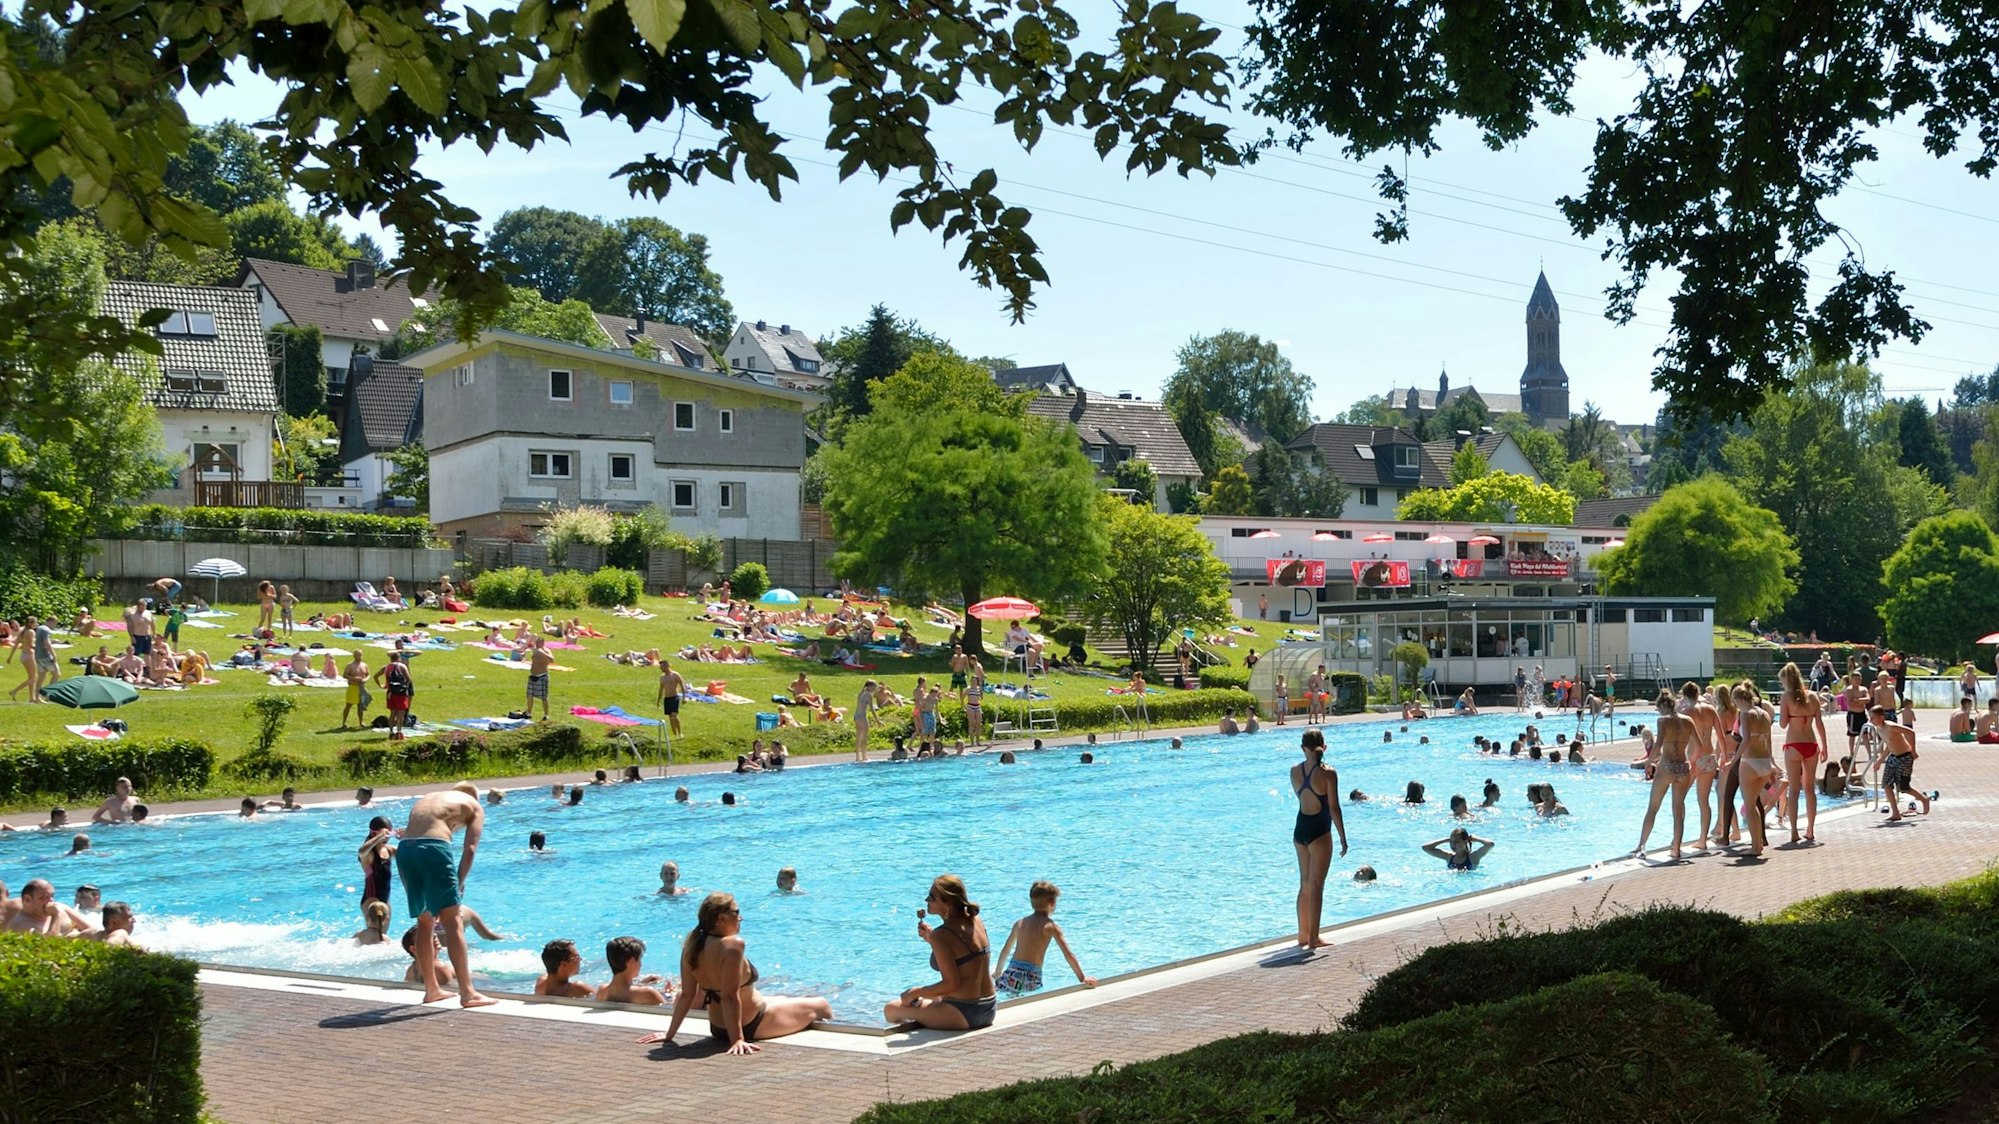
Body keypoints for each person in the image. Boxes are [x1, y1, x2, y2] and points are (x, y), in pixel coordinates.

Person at [643, 891, 834, 1053]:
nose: (740, 917)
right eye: (736, 912)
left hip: (717, 1027)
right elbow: (729, 996)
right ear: (721, 918)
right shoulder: (732, 945)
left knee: (783, 998)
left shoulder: (692, 945)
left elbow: (687, 994)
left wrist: (670, 1034)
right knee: (821, 1005)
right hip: (751, 1023)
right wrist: (737, 1040)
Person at [394, 781, 495, 1007]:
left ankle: (431, 990)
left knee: (425, 921)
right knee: (453, 922)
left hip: (405, 850)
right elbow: (470, 849)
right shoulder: (474, 806)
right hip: (433, 849)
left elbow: (413, 831)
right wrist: (459, 882)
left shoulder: (431, 798)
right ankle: (468, 993)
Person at [882, 875, 997, 1030]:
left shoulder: (942, 935)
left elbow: (951, 984)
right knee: (932, 997)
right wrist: (931, 940)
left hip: (963, 1013)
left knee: (891, 1009)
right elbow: (965, 958)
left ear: (947, 902)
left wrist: (915, 993)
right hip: (988, 1008)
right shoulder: (976, 920)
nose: (926, 900)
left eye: (931, 897)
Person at [1290, 729, 1348, 951]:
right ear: (1324, 746)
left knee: (1304, 883)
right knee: (1316, 885)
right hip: (1319, 831)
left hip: (1300, 829)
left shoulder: (1294, 771)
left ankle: (1303, 933)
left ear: (1303, 748)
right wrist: (1343, 837)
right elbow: (1333, 808)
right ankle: (1314, 937)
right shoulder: (1328, 773)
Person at [993, 880, 1096, 996]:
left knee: (1004, 993)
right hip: (1032, 978)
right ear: (1052, 903)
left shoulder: (1020, 924)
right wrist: (1083, 978)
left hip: (1011, 975)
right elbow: (1068, 955)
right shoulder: (1051, 926)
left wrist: (998, 972)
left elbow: (1005, 951)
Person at [1633, 691, 1695, 860]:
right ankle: (1676, 849)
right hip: (1683, 767)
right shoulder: (1688, 721)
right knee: (1678, 811)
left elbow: (1658, 745)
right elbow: (1700, 745)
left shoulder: (1663, 721)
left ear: (1661, 706)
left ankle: (1641, 846)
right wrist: (1691, 761)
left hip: (1667, 767)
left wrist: (1648, 763)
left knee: (1653, 808)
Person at [1778, 662, 1825, 845]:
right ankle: (1811, 829)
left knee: (1794, 790)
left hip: (1793, 744)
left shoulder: (1786, 697)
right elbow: (1819, 723)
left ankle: (1794, 831)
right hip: (1811, 744)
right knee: (1810, 789)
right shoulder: (1813, 696)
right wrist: (1825, 746)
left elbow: (1782, 724)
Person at [1731, 684, 1776, 857]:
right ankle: (1758, 844)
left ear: (1740, 699)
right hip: (1764, 761)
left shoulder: (1745, 713)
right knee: (1754, 804)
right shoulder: (1764, 713)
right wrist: (1771, 763)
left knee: (1750, 805)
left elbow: (1746, 740)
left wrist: (1733, 761)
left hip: (1750, 761)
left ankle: (1755, 846)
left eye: (1735, 701)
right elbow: (1769, 740)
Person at [1868, 705, 1932, 821]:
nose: (1870, 720)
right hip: (1893, 757)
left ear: (1881, 717)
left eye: (1873, 718)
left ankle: (1923, 799)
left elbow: (1911, 733)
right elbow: (1889, 744)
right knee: (1886, 785)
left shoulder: (1891, 726)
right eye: (1870, 718)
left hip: (1905, 757)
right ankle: (1896, 813)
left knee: (1904, 788)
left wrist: (1913, 751)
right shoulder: (1879, 729)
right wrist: (1879, 761)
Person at [596, 936, 672, 1005]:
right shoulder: (647, 993)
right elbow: (669, 1012)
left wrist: (641, 984)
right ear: (632, 961)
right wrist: (668, 993)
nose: (641, 964)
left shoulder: (602, 991)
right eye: (639, 959)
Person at [374, 652, 415, 742]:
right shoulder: (402, 666)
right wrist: (405, 688)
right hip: (400, 692)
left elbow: (375, 676)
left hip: (390, 692)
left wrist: (381, 686)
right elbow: (409, 680)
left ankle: (391, 732)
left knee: (392, 713)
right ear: (399, 658)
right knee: (400, 713)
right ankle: (399, 732)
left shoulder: (387, 667)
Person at [5, 614, 41, 702]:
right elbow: (31, 645)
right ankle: (14, 691)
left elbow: (16, 645)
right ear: (31, 623)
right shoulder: (31, 632)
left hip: (23, 656)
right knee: (33, 678)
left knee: (31, 677)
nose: (36, 624)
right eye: (35, 622)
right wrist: (41, 647)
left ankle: (32, 698)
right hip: (29, 656)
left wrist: (10, 657)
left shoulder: (22, 632)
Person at [1422, 827, 1495, 870]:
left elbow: (1490, 844)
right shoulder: (1449, 857)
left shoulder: (1473, 857)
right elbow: (1425, 848)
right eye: (1451, 842)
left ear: (1465, 841)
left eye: (1456, 841)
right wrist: (1445, 840)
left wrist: (1476, 838)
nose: (1453, 845)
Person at [340, 651, 371, 728]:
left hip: (361, 687)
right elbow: (345, 675)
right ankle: (344, 723)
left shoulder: (364, 665)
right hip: (352, 687)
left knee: (360, 705)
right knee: (348, 705)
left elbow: (368, 674)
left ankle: (361, 722)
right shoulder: (350, 665)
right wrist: (354, 679)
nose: (359, 657)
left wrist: (365, 680)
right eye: (358, 655)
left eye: (360, 655)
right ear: (354, 656)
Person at [525, 636, 553, 721]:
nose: (537, 645)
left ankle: (546, 715)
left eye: (538, 643)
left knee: (543, 697)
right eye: (536, 643)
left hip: (542, 676)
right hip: (533, 676)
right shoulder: (535, 649)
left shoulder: (546, 651)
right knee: (529, 695)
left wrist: (541, 652)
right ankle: (528, 713)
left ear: (543, 643)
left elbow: (552, 660)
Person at [657, 658, 685, 738]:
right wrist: (658, 701)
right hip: (667, 698)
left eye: (662, 666)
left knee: (674, 715)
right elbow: (661, 689)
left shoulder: (675, 675)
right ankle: (675, 734)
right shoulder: (662, 677)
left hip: (674, 697)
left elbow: (682, 685)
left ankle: (680, 733)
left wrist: (684, 697)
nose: (660, 668)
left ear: (667, 665)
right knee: (670, 717)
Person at [965, 662, 986, 746]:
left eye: (975, 681)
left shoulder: (978, 688)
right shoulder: (968, 689)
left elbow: (981, 697)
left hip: (977, 706)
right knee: (971, 723)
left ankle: (977, 741)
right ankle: (972, 742)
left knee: (978, 724)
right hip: (970, 706)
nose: (974, 682)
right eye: (972, 681)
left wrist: (981, 694)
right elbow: (963, 697)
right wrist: (964, 706)